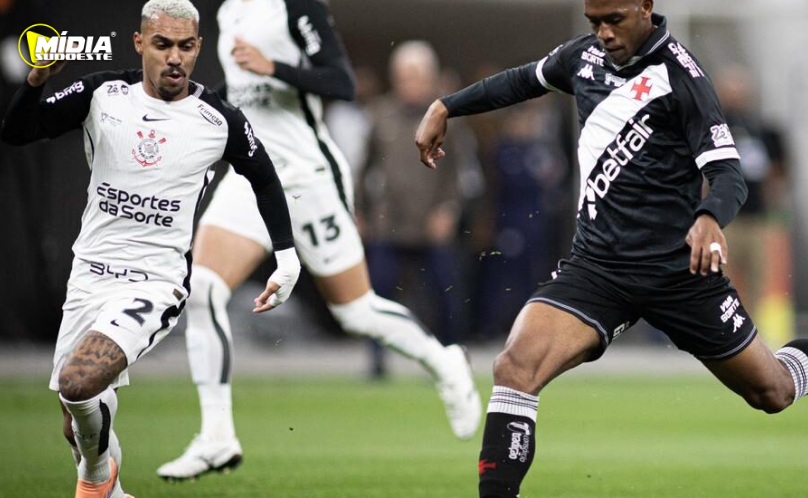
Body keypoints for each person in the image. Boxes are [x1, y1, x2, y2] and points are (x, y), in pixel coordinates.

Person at [414, 1, 808, 497]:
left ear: (645, 7)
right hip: (597, 270)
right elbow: (519, 81)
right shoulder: (581, 58)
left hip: (678, 273)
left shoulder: (681, 75)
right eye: (594, 22)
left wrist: (709, 217)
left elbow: (727, 171)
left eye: (614, 19)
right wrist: (447, 105)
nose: (603, 33)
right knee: (515, 367)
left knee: (772, 392)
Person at [156, 0, 481, 481]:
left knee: (355, 311)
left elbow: (341, 82)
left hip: (306, 177)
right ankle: (217, 436)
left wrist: (275, 67)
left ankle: (443, 361)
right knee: (201, 289)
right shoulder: (227, 12)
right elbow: (244, 93)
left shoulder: (295, 5)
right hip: (251, 175)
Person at [0, 0, 302, 496]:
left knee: (79, 385)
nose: (175, 57)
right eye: (163, 45)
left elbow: (266, 180)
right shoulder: (103, 93)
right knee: (73, 419)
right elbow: (16, 132)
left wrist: (286, 258)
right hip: (89, 276)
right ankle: (110, 487)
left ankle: (97, 483)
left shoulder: (217, 118)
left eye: (186, 46)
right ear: (140, 43)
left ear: (199, 47)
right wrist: (35, 82)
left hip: (154, 281)